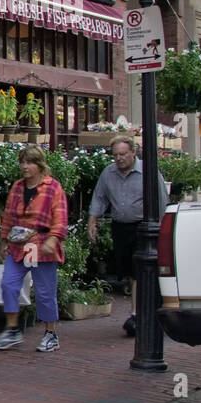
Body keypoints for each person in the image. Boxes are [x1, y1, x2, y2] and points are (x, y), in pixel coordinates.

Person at [86, 135, 168, 337]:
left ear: (133, 152)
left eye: (123, 154)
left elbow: (161, 200)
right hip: (121, 228)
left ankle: (137, 314)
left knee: (139, 269)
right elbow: (99, 198)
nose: (119, 158)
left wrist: (161, 229)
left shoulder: (147, 172)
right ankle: (144, 311)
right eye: (115, 155)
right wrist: (92, 221)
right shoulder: (109, 173)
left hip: (144, 227)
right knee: (129, 272)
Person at [0, 145, 69, 352]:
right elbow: (8, 215)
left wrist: (54, 239)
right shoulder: (17, 187)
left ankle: (50, 334)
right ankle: (12, 329)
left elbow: (60, 217)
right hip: (18, 244)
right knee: (8, 284)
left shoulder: (52, 187)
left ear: (39, 165)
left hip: (40, 245)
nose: (25, 166)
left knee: (44, 292)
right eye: (23, 162)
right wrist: (4, 240)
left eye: (30, 162)